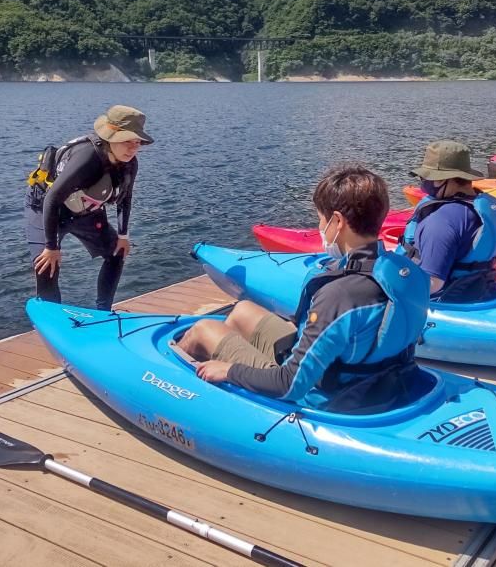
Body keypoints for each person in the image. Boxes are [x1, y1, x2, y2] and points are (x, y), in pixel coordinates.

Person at [178, 162, 431, 414]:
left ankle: (174, 387)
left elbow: (290, 384)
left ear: (337, 221)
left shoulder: (340, 295)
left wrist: (229, 371)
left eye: (321, 219)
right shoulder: (401, 271)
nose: (320, 228)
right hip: (376, 382)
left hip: (324, 395)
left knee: (203, 329)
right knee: (242, 309)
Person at [24, 105, 153, 310]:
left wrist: (123, 236)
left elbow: (125, 197)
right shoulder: (87, 158)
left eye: (137, 142)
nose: (133, 148)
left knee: (116, 252)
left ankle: (103, 312)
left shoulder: (130, 163)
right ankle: (53, 318)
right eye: (127, 141)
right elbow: (52, 198)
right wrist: (51, 246)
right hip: (47, 208)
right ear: (111, 138)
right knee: (46, 262)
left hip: (85, 211)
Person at [399, 140, 496, 300]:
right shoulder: (491, 206)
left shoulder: (440, 222)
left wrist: (392, 291)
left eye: (425, 177)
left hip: (444, 300)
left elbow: (433, 283)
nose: (423, 183)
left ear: (442, 179)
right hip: (477, 291)